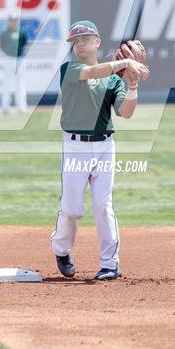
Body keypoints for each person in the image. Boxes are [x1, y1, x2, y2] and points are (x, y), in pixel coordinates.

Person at [51, 20, 149, 281]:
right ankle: (61, 248)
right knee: (71, 209)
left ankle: (110, 263)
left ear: (97, 41)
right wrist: (124, 64)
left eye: (86, 38)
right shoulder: (69, 69)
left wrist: (132, 84)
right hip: (74, 147)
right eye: (76, 40)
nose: (80, 43)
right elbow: (92, 73)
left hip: (104, 145)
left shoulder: (113, 80)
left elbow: (126, 113)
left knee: (102, 206)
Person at [0, 13, 29, 114]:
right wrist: (9, 53)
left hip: (20, 59)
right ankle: (5, 107)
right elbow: (2, 45)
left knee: (20, 83)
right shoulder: (5, 32)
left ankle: (22, 107)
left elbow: (25, 43)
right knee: (7, 83)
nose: (14, 22)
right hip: (9, 59)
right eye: (12, 20)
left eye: (15, 20)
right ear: (9, 21)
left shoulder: (22, 32)